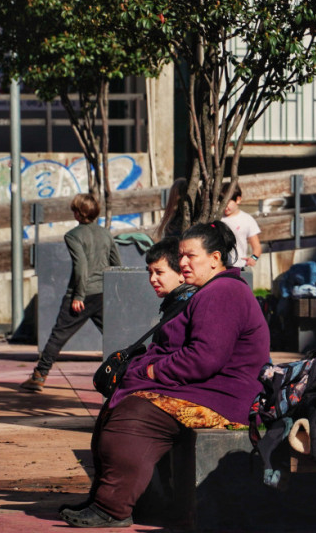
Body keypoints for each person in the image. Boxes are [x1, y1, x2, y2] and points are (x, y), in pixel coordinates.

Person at [59, 221, 270, 528]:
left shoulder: (222, 292)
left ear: (215, 258)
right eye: (181, 255)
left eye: (190, 256)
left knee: (134, 417)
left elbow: (203, 359)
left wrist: (151, 371)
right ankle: (129, 503)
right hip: (207, 388)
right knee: (124, 409)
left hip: (225, 397)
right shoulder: (210, 290)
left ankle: (113, 507)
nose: (182, 262)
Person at [20, 193, 122, 392]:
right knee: (114, 336)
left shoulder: (73, 236)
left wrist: (78, 296)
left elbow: (81, 267)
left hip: (81, 296)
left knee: (58, 336)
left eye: (74, 209)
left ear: (78, 213)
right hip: (103, 295)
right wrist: (114, 293)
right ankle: (130, 375)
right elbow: (117, 264)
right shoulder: (106, 234)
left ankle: (39, 376)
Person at [221, 183, 262, 269]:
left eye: (227, 202)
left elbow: (257, 246)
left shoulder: (247, 219)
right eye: (221, 201)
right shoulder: (217, 218)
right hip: (220, 267)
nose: (225, 205)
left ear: (238, 200)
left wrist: (253, 258)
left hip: (239, 266)